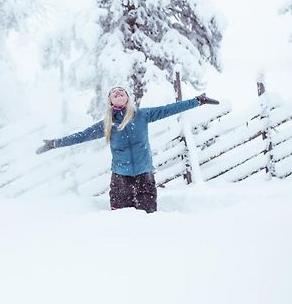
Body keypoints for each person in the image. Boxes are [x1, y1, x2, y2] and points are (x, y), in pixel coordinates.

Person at [36, 86, 219, 213]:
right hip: (120, 179)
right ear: (110, 100)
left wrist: (197, 101)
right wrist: (54, 143)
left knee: (148, 218)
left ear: (127, 98)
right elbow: (81, 136)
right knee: (120, 222)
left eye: (121, 91)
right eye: (114, 92)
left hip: (144, 175)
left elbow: (169, 109)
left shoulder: (142, 115)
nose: (118, 92)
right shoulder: (107, 124)